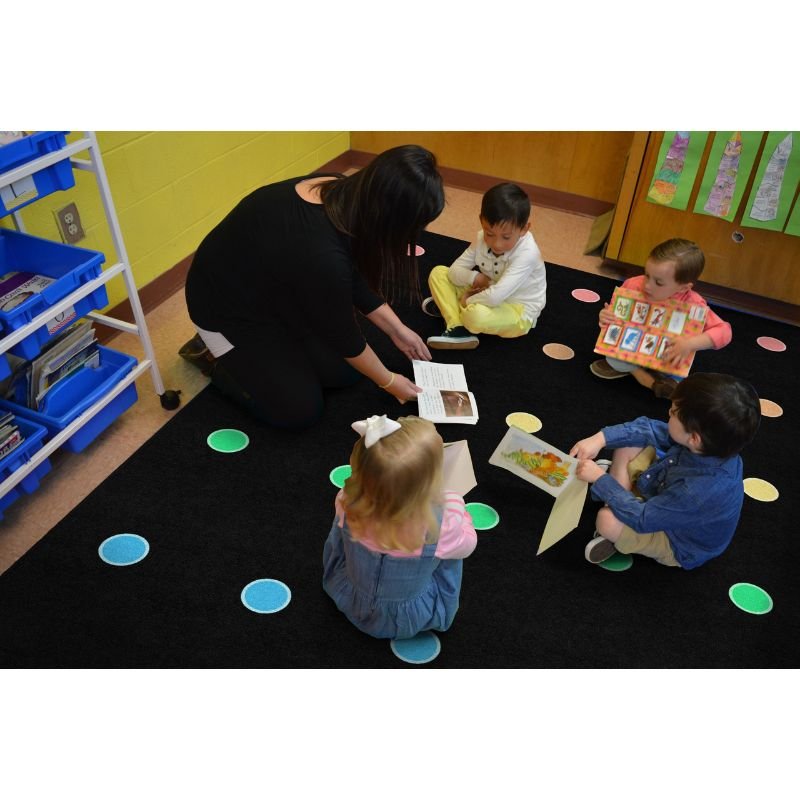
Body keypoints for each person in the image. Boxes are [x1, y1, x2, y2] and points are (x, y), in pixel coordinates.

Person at [181, 145, 445, 429]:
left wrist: (397, 329)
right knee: (298, 410)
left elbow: (350, 275)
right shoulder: (320, 253)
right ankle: (211, 355)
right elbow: (342, 333)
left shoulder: (341, 191)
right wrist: (389, 382)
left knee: (346, 374)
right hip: (225, 311)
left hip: (277, 290)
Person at [569, 372, 760, 570]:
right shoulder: (711, 445)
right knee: (629, 443)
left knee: (606, 520)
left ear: (694, 438)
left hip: (676, 540)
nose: (668, 413)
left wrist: (601, 480)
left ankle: (616, 515)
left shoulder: (696, 492)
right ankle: (618, 498)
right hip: (666, 496)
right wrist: (600, 438)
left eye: (674, 412)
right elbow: (649, 429)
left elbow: (643, 519)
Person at [322, 414, 477, 640]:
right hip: (407, 617)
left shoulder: (346, 500)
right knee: (451, 552)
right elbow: (468, 544)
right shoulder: (442, 524)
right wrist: (455, 502)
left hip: (350, 598)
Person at [590, 238, 731, 399]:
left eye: (658, 282)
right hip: (631, 346)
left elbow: (724, 332)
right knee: (613, 358)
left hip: (666, 356)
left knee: (675, 370)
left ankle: (646, 374)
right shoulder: (633, 285)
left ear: (683, 287)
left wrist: (690, 344)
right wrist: (605, 317)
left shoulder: (694, 304)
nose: (647, 285)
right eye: (647, 275)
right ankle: (643, 377)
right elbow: (615, 317)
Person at [423, 182, 546, 350]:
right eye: (490, 233)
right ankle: (457, 326)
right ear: (481, 220)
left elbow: (495, 297)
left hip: (517, 310)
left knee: (475, 317)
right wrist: (476, 277)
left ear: (524, 229)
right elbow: (453, 271)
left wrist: (467, 300)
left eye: (506, 237)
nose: (497, 244)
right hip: (487, 291)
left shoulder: (528, 253)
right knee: (439, 273)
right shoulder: (481, 237)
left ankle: (453, 310)